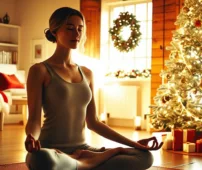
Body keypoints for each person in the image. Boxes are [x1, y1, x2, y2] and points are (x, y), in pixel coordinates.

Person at [25, 7, 162, 170]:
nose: (76, 34)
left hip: (83, 150)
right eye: (69, 28)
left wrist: (134, 144)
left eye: (80, 29)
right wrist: (31, 137)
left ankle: (82, 164)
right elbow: (34, 119)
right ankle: (88, 163)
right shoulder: (40, 70)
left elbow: (94, 122)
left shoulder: (88, 73)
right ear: (54, 31)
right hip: (52, 152)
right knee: (42, 160)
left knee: (144, 157)